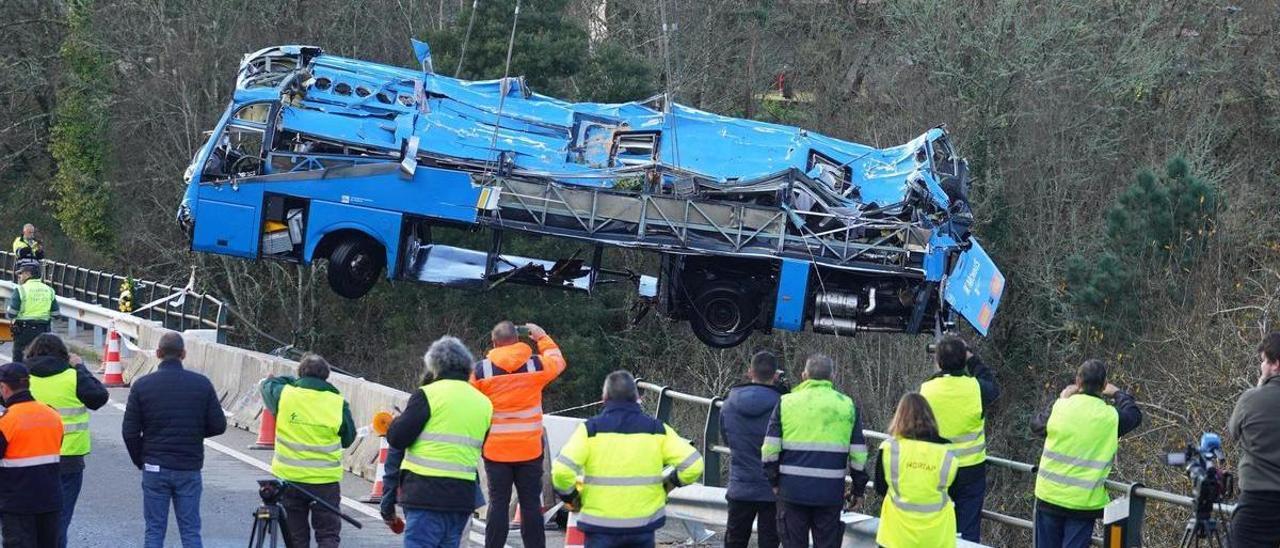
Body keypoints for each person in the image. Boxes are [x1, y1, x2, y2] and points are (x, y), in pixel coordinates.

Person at [552, 370, 704, 548]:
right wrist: (669, 483)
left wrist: (571, 498)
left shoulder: (590, 430)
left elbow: (561, 471)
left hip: (601, 525)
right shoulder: (657, 430)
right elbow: (694, 465)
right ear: (637, 398)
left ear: (604, 397)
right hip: (642, 525)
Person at [122, 331, 227, 548]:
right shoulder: (201, 384)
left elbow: (129, 432)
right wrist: (194, 432)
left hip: (154, 465)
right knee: (190, 531)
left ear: (158, 353)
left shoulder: (142, 386)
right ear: (183, 354)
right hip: (188, 466)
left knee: (154, 530)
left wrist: (141, 459)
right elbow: (218, 425)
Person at [387, 336, 493, 547]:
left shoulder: (427, 395)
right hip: (462, 497)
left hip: (425, 494)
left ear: (434, 365)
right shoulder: (484, 403)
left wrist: (394, 423)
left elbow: (398, 438)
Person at [470, 321, 567, 548]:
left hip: (496, 451)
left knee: (498, 504)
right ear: (518, 339)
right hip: (530, 449)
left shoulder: (481, 370)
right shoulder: (535, 365)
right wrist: (542, 337)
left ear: (494, 343)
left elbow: (468, 401)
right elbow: (558, 362)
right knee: (531, 505)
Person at [1031, 359, 1142, 548]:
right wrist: (1117, 393)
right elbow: (1134, 414)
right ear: (1104, 385)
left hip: (1048, 497)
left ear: (1077, 382)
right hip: (1083, 504)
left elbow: (1037, 425)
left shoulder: (1061, 407)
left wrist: (1062, 398)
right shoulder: (1110, 417)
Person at [762, 354, 868, 548]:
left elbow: (770, 448)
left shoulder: (786, 402)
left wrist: (774, 481)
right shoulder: (847, 406)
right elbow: (859, 455)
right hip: (830, 493)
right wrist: (858, 490)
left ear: (804, 375)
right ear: (832, 377)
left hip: (791, 491)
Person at [261, 354, 357, 548]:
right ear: (326, 376)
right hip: (325, 482)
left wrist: (294, 380)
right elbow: (348, 438)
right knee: (327, 535)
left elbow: (267, 385)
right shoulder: (337, 403)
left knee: (296, 538)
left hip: (289, 480)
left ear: (300, 373)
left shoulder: (285, 394)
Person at [25, 334, 109, 548]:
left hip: (28, 458)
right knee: (59, 520)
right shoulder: (73, 376)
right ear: (64, 354)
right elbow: (99, 397)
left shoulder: (22, 376)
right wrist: (80, 367)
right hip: (68, 458)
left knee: (29, 519)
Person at [918, 335, 1000, 543]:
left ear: (938, 361)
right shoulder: (976, 388)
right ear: (964, 360)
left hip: (936, 468)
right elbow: (992, 385)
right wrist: (972, 359)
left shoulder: (927, 389)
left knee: (935, 524)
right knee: (968, 531)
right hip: (970, 470)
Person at [874, 393, 958, 548]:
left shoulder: (889, 448)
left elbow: (880, 488)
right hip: (937, 538)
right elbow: (955, 491)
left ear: (899, 417)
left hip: (895, 536)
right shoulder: (947, 451)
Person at [720, 350, 786, 548]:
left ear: (750, 372)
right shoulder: (783, 404)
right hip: (772, 488)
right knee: (769, 542)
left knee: (735, 540)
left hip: (740, 484)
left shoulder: (729, 402)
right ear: (775, 375)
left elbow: (727, 438)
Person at [0, 362, 64, 548]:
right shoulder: (52, 414)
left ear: (4, 387)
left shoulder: (7, 421)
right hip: (50, 499)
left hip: (17, 503)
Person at [1227, 332, 1280, 547]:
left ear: (1276, 364)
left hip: (1258, 503)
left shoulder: (1251, 399)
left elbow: (1233, 432)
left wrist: (1259, 390)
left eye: (1264, 361)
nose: (1262, 368)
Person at [6, 263, 59, 363]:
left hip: (24, 331)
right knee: (42, 359)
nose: (19, 276)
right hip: (44, 330)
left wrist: (9, 309)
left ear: (27, 274)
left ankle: (20, 377)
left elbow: (12, 313)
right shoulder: (49, 290)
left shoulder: (21, 289)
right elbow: (56, 314)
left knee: (19, 360)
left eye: (21, 274)